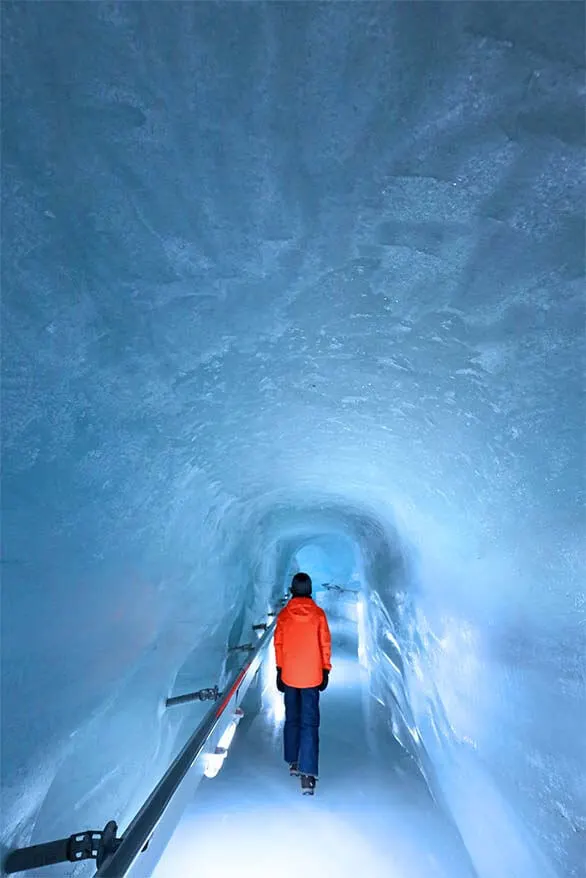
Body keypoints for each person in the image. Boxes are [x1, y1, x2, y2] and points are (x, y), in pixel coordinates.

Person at [274, 572, 332, 794]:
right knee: (309, 723)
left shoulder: (284, 616)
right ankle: (307, 775)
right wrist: (325, 669)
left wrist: (279, 670)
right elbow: (325, 644)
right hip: (311, 677)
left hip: (290, 675)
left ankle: (293, 761)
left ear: (292, 590)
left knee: (292, 718)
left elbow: (278, 645)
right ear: (309, 590)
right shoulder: (318, 615)